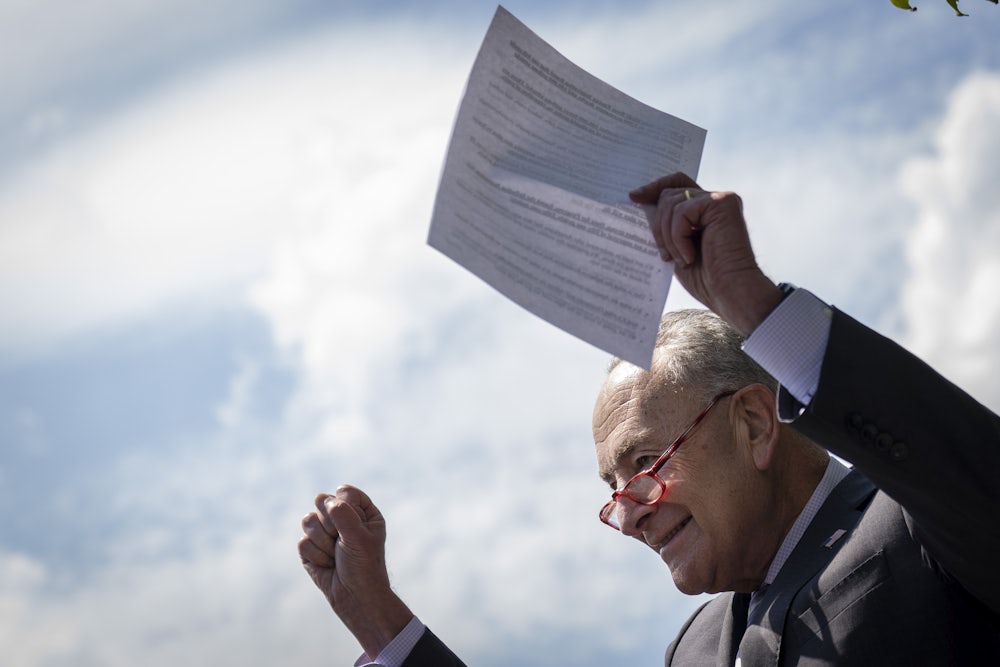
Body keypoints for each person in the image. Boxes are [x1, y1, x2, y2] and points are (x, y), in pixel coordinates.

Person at [298, 172, 1000, 665]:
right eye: (612, 486)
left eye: (643, 463)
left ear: (755, 424)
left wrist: (759, 309)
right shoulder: (692, 650)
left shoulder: (917, 524)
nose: (629, 513)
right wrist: (382, 625)